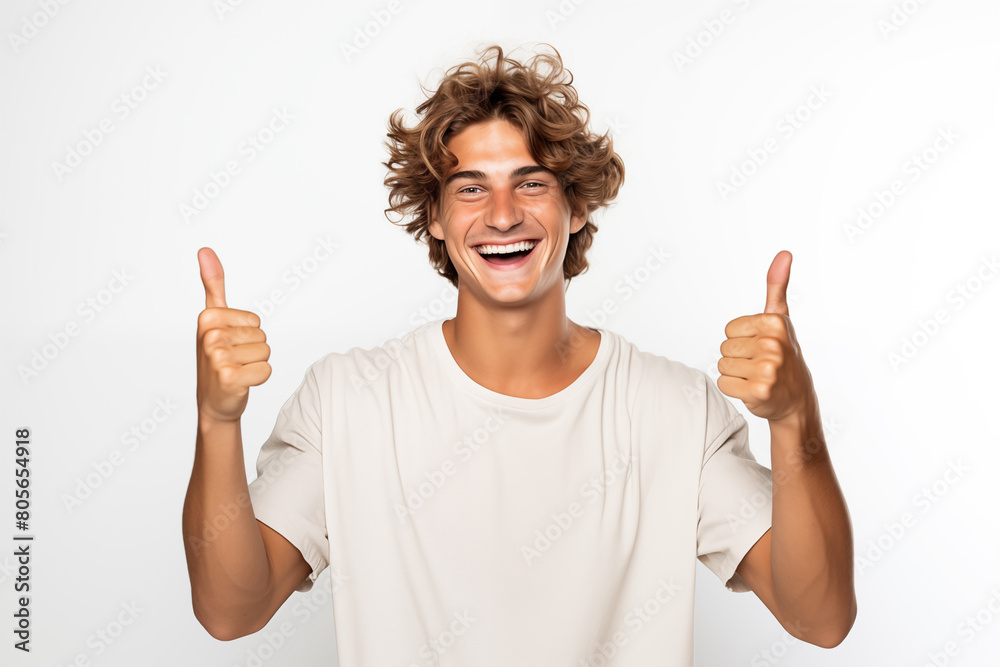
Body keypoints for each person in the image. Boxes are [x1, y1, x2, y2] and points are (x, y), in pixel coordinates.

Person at [182, 44, 856, 665]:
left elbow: (820, 617)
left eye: (531, 183)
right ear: (438, 220)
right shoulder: (348, 401)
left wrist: (795, 419)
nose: (502, 214)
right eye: (471, 187)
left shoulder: (672, 409)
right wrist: (217, 421)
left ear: (577, 207)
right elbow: (232, 610)